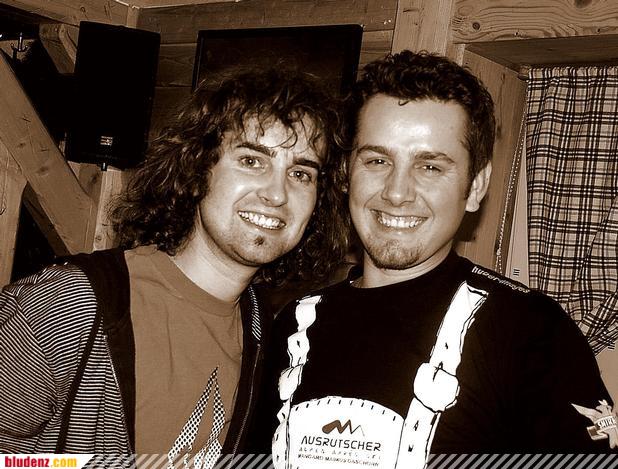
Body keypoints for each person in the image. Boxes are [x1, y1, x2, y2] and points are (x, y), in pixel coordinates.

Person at [251, 51, 617, 467]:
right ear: (346, 173)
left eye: (429, 167)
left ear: (475, 186)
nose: (396, 192)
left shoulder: (532, 331)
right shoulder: (295, 322)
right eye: (377, 160)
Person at [0, 67, 348, 463]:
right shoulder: (65, 303)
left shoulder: (264, 332)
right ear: (198, 171)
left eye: (301, 173)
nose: (277, 193)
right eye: (252, 160)